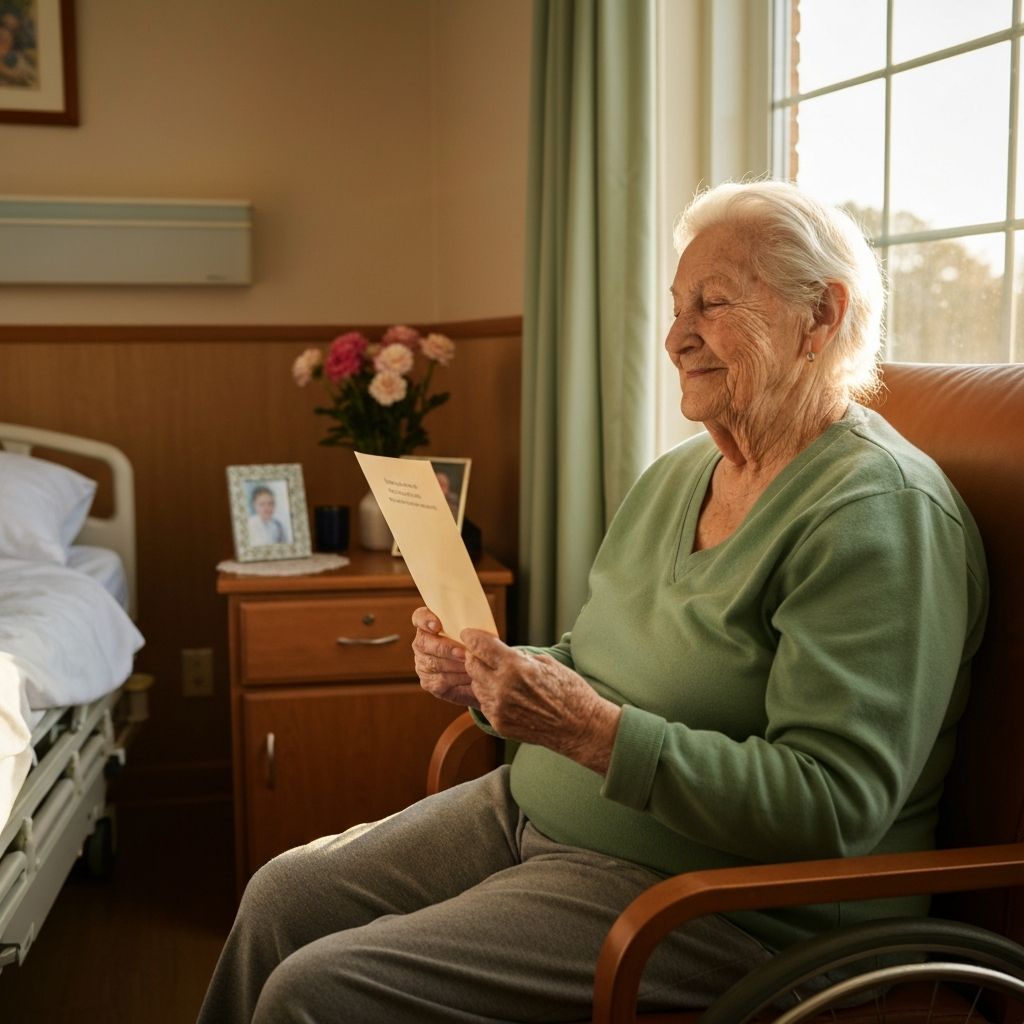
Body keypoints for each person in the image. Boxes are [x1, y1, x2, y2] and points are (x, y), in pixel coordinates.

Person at [198, 181, 988, 1023]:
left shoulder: (878, 514)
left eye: (713, 304)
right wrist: (497, 678)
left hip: (718, 904)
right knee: (282, 896)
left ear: (820, 316)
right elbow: (592, 661)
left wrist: (591, 732)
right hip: (542, 810)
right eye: (676, 307)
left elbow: (830, 804)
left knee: (318, 992)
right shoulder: (677, 474)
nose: (676, 337)